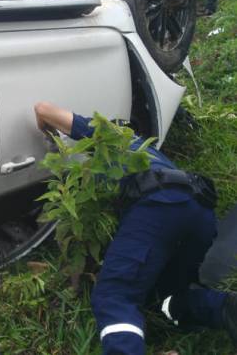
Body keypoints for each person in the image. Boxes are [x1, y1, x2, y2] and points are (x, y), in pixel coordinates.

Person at [33, 101, 237, 355]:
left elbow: (43, 109)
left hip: (158, 205)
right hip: (201, 212)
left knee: (114, 295)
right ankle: (226, 308)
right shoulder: (150, 153)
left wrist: (47, 131)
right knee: (167, 297)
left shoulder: (109, 139)